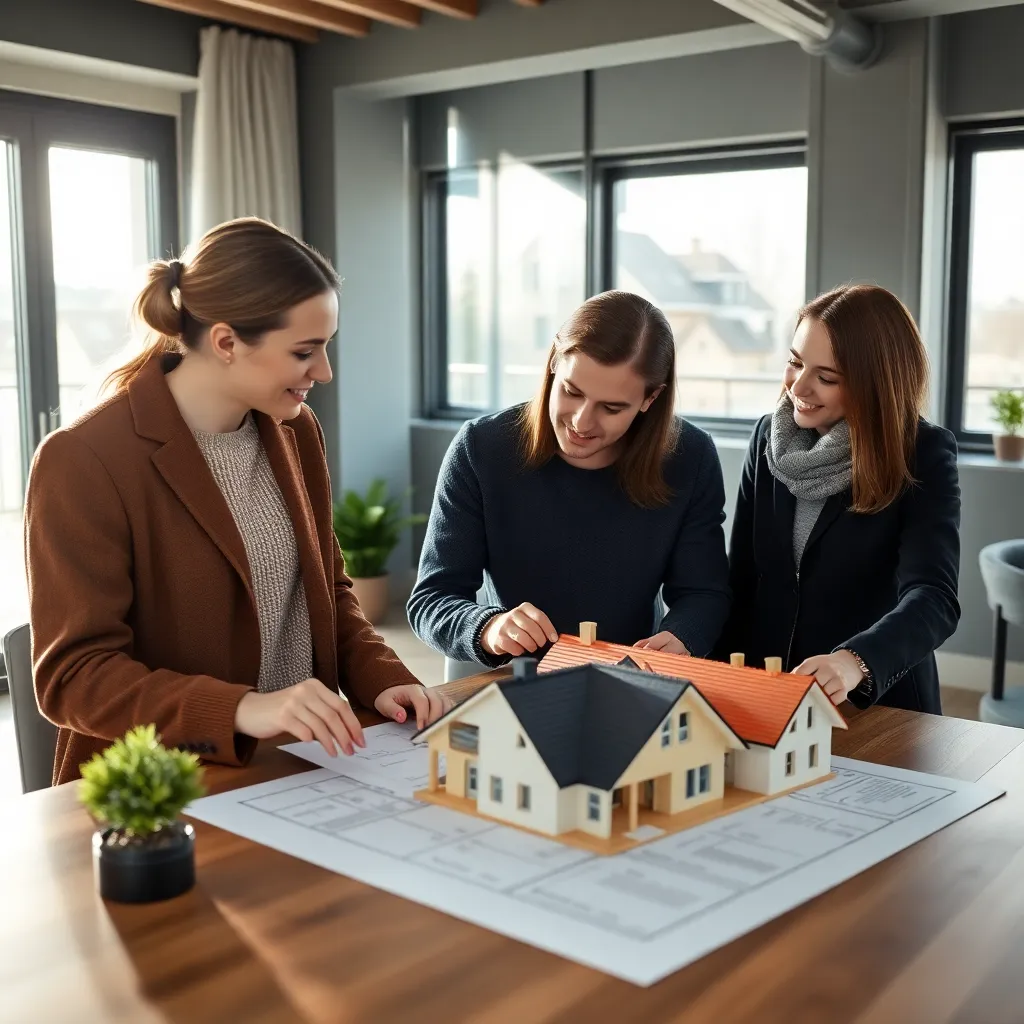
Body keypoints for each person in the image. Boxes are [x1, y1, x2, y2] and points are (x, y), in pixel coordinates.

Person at [25, 217, 447, 787]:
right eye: (305, 351)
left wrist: (382, 676)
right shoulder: (83, 459)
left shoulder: (295, 430)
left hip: (304, 764)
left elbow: (325, 591)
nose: (324, 372)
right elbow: (75, 677)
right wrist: (243, 709)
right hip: (164, 788)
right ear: (226, 343)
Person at [407, 289, 730, 672]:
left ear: (650, 399)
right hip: (509, 673)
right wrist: (488, 627)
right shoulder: (482, 448)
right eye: (572, 392)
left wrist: (682, 636)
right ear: (553, 364)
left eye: (612, 408)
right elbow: (432, 599)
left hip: (632, 675)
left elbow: (703, 593)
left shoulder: (690, 457)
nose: (581, 422)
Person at [717, 284, 961, 714]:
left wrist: (854, 662)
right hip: (773, 692)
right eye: (796, 363)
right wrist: (719, 683)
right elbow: (743, 581)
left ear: (874, 384)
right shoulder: (766, 439)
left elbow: (934, 597)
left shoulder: (922, 453)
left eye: (826, 377)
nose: (799, 386)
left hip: (877, 703)